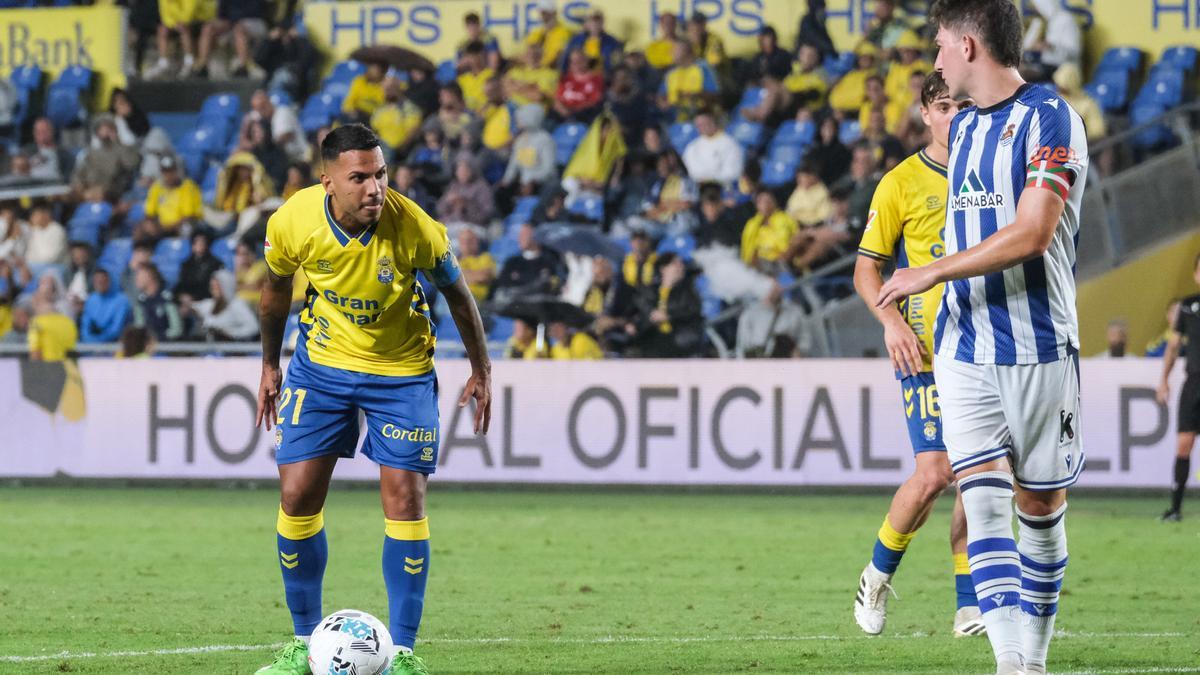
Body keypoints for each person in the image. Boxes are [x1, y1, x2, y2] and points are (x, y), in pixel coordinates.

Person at [876, 3, 1090, 672]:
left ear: (968, 46)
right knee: (984, 506)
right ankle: (1011, 663)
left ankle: (1036, 654)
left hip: (1038, 348)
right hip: (963, 349)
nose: (936, 60)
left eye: (941, 45)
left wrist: (929, 271)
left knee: (1040, 508)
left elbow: (1033, 233)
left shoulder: (1050, 118)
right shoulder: (962, 128)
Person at [252, 124, 490, 675]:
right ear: (328, 181)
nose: (374, 188)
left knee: (405, 501)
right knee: (297, 496)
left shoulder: (415, 228)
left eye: (380, 174)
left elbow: (458, 293)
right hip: (323, 366)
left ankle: (403, 654)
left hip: (401, 372)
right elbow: (274, 288)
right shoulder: (293, 220)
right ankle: (303, 643)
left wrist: (482, 368)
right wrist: (269, 365)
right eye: (359, 177)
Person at [851, 71, 984, 638]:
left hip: (984, 341)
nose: (956, 116)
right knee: (935, 473)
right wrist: (889, 322)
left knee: (981, 474)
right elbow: (866, 269)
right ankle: (876, 576)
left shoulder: (990, 173)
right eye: (946, 106)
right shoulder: (900, 182)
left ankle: (968, 603)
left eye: (964, 106)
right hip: (924, 347)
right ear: (926, 114)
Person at [1156, 260, 1200, 522]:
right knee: (1184, 445)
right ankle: (1175, 508)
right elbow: (1173, 345)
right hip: (1194, 382)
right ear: (1195, 274)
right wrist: (1164, 380)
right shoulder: (1187, 305)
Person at [736, 282, 811, 358]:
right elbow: (742, 348)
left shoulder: (794, 310)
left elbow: (804, 338)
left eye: (775, 286)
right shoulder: (748, 315)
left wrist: (798, 353)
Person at [139, 156, 203, 240]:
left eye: (171, 172)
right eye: (165, 172)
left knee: (186, 228)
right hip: (162, 226)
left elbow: (189, 216)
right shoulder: (157, 187)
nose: (168, 176)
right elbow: (150, 213)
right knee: (140, 229)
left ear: (176, 171)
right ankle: (145, 252)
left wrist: (167, 227)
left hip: (180, 225)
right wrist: (150, 224)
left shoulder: (188, 186)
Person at [658, 38, 719, 122]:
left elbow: (715, 96)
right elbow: (661, 96)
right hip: (675, 120)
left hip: (701, 117)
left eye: (675, 50)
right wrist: (663, 103)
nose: (671, 53)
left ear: (686, 51)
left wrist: (695, 95)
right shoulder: (671, 73)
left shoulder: (703, 68)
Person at [189, 269, 258, 340]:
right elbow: (193, 307)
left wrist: (230, 333)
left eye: (217, 287)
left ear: (227, 286)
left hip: (231, 347)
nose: (214, 290)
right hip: (208, 347)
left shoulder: (237, 304)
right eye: (212, 287)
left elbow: (253, 327)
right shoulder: (210, 304)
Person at [681, 109, 743, 189]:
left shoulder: (730, 144)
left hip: (722, 188)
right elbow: (687, 170)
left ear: (713, 121)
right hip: (697, 188)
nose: (702, 127)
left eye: (705, 123)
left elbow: (733, 171)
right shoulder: (692, 147)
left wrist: (711, 180)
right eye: (699, 125)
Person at [560, 9, 622, 74]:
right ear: (585, 23)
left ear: (602, 22)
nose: (594, 23)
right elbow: (565, 61)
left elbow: (617, 66)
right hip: (578, 79)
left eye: (597, 20)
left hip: (602, 79)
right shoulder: (575, 40)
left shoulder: (612, 42)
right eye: (590, 20)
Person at [79, 268, 132, 343]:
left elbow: (116, 330)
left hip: (114, 345)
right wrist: (90, 341)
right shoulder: (91, 300)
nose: (100, 284)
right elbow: (85, 327)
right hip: (91, 345)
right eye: (97, 282)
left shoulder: (121, 300)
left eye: (102, 281)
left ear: (108, 281)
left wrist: (98, 342)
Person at [554, 50, 605, 123]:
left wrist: (574, 111)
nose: (576, 63)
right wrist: (564, 111)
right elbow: (557, 99)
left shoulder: (596, 78)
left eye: (580, 60)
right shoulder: (565, 78)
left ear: (586, 61)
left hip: (584, 116)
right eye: (573, 61)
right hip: (562, 115)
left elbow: (595, 101)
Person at [175, 229, 223, 302]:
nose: (200, 244)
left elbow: (214, 287)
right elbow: (181, 284)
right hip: (188, 300)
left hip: (207, 299)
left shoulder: (216, 264)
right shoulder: (186, 264)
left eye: (203, 242)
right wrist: (182, 295)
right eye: (196, 242)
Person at [525, 0, 574, 69]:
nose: (543, 16)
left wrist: (543, 66)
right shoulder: (535, 33)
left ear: (554, 13)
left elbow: (561, 57)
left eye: (545, 13)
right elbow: (527, 54)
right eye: (541, 13)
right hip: (534, 71)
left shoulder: (565, 32)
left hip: (552, 71)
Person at [28, 295, 77, 361]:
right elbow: (71, 349)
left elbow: (35, 351)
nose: (34, 310)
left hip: (47, 367)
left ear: (39, 304)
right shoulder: (69, 322)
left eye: (34, 306)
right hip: (67, 367)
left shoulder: (36, 322)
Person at [455, 228, 495, 303]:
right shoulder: (453, 260)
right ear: (459, 243)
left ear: (476, 241)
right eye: (464, 240)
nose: (467, 243)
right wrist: (475, 274)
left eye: (470, 240)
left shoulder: (485, 257)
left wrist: (462, 275)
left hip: (477, 300)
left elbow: (484, 277)